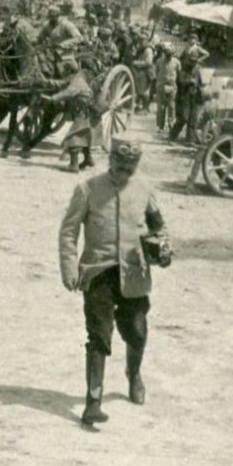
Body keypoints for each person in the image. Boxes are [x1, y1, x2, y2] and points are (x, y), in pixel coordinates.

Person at [58, 139, 169, 426]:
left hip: (134, 274)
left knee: (137, 332)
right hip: (99, 273)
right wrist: (69, 269)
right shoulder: (88, 189)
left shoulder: (144, 191)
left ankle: (134, 374)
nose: (123, 174)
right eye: (119, 167)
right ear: (110, 161)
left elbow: (159, 227)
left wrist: (162, 248)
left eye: (129, 169)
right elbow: (68, 233)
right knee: (98, 336)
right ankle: (93, 401)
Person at [46, 61, 96, 172]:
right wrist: (47, 82)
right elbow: (62, 83)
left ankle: (74, 165)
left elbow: (67, 92)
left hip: (81, 112)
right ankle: (88, 158)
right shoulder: (78, 78)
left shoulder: (78, 81)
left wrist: (53, 98)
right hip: (85, 112)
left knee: (73, 136)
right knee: (85, 134)